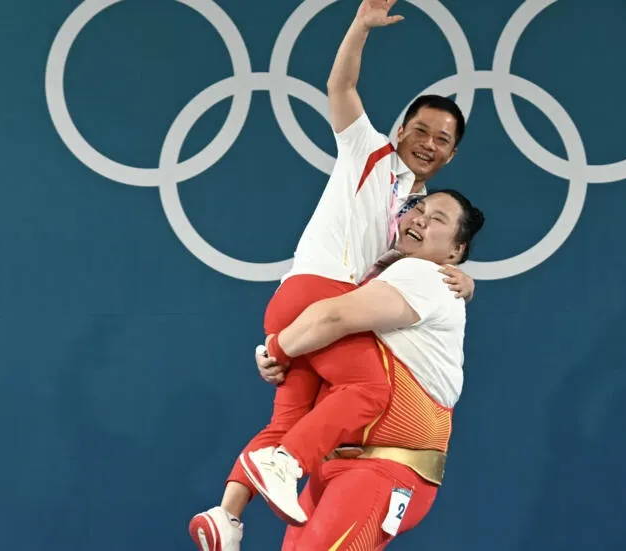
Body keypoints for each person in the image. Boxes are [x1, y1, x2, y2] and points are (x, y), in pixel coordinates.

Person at [188, 0, 472, 549]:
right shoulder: (371, 153)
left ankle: (227, 515)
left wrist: (468, 280)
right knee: (367, 389)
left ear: (452, 154)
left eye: (441, 140)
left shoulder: (416, 212)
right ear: (401, 129)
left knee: (290, 419)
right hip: (319, 293)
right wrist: (359, 28)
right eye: (420, 129)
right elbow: (340, 88)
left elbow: (418, 266)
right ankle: (288, 464)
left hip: (313, 312)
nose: (428, 144)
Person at [258, 189, 484, 550]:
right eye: (419, 209)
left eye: (438, 219)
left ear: (455, 252)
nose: (422, 218)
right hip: (338, 469)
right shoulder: (382, 276)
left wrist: (275, 348)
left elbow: (331, 317)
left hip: (382, 471)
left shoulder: (424, 275)